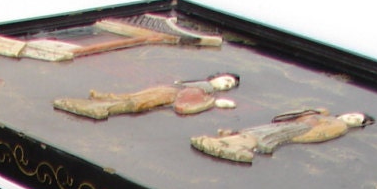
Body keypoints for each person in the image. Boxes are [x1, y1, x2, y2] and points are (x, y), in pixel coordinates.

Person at [191, 108, 371, 162]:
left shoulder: (338, 125)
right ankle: (225, 142)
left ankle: (230, 145)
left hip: (295, 130)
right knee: (258, 132)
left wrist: (308, 123)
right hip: (290, 126)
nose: (351, 118)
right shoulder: (323, 116)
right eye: (353, 114)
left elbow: (318, 133)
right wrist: (315, 112)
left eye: (357, 119)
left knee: (260, 136)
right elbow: (285, 116)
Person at [54, 73, 239, 120]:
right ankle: (103, 102)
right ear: (217, 76)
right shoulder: (203, 86)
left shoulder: (206, 91)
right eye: (226, 80)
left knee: (137, 100)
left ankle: (102, 103)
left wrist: (215, 102)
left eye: (229, 85)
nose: (226, 84)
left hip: (170, 93)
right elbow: (187, 98)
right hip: (169, 91)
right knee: (136, 99)